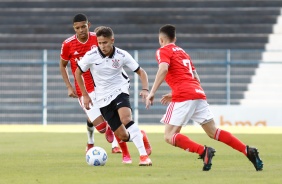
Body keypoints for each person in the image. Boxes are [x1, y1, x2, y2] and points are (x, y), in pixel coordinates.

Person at [145, 24, 263, 171]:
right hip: (197, 92)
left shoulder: (163, 50)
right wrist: (176, 91)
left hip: (184, 95)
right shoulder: (183, 53)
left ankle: (203, 151)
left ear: (161, 39)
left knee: (169, 136)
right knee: (213, 131)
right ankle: (247, 150)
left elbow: (163, 68)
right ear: (175, 38)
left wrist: (152, 92)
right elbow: (196, 77)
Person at [75, 26, 152, 166]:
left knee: (126, 118)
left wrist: (145, 89)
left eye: (105, 42)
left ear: (112, 40)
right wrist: (85, 95)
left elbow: (141, 72)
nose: (102, 46)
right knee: (123, 135)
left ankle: (144, 157)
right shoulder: (91, 55)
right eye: (99, 43)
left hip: (120, 90)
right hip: (102, 98)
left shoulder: (122, 55)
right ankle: (140, 135)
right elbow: (77, 73)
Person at [59, 14, 131, 163]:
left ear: (88, 25)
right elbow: (63, 65)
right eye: (77, 28)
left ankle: (125, 153)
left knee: (115, 120)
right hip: (83, 90)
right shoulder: (68, 44)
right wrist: (69, 86)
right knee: (102, 128)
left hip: (102, 87)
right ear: (74, 28)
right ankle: (92, 139)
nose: (81, 30)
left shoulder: (97, 39)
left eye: (83, 26)